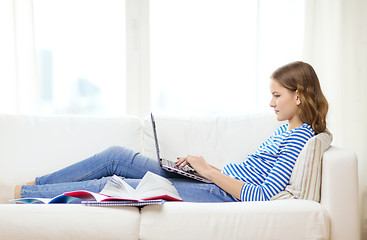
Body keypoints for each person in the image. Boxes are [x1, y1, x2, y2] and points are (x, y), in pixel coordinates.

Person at [14, 61, 328, 202]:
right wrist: (204, 168)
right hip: (211, 181)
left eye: (277, 95)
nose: (270, 103)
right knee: (115, 156)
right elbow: (250, 176)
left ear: (298, 95)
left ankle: (21, 195)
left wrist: (207, 171)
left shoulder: (300, 137)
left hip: (218, 195)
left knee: (113, 183)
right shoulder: (284, 131)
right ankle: (33, 185)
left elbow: (260, 196)